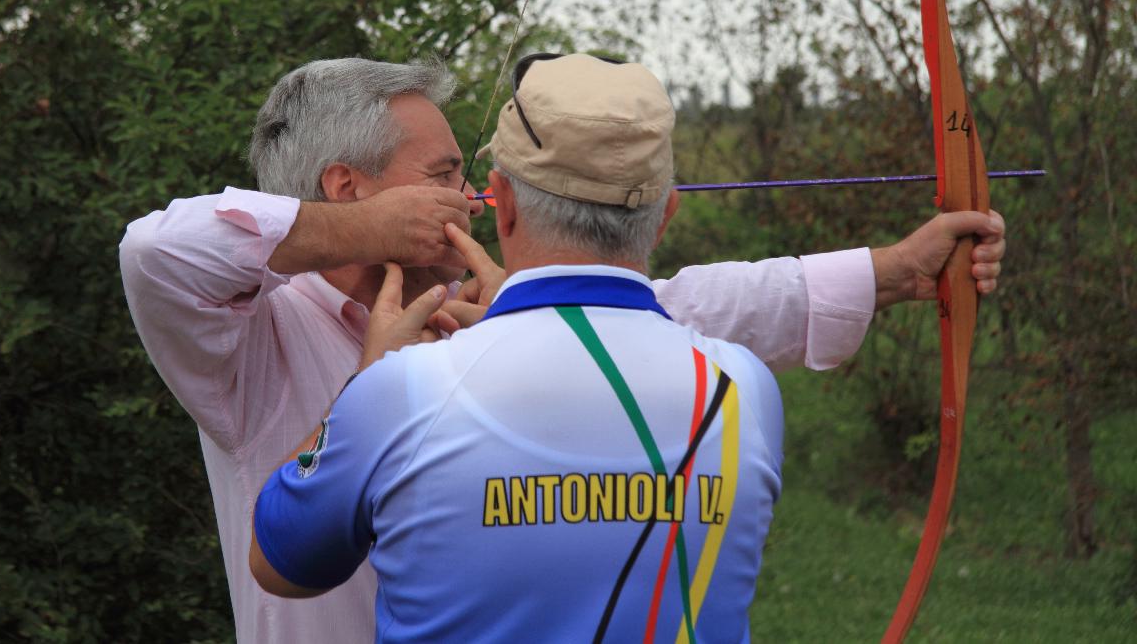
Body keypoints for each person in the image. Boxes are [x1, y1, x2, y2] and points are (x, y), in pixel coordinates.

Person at [119, 57, 1005, 642]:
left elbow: (673, 309)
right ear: (346, 187)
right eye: (442, 177)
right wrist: (359, 234)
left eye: (470, 180)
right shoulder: (251, 334)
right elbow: (155, 252)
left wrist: (894, 271)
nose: (468, 198)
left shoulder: (474, 307)